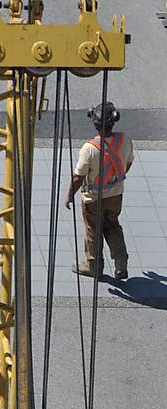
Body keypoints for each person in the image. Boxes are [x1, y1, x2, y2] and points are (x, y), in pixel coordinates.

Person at [65, 101, 134, 280]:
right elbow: (128, 163)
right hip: (116, 195)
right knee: (112, 225)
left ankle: (93, 265)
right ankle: (121, 263)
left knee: (93, 230)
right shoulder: (125, 140)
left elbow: (78, 178)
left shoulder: (89, 149)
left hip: (93, 199)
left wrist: (69, 195)